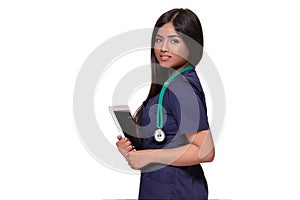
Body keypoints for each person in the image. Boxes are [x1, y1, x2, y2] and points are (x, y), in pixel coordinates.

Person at [116, 8, 215, 200]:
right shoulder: (170, 84)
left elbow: (205, 151)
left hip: (176, 191)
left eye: (174, 40)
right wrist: (134, 147)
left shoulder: (182, 87)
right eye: (159, 39)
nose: (163, 47)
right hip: (162, 189)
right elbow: (167, 139)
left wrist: (150, 156)